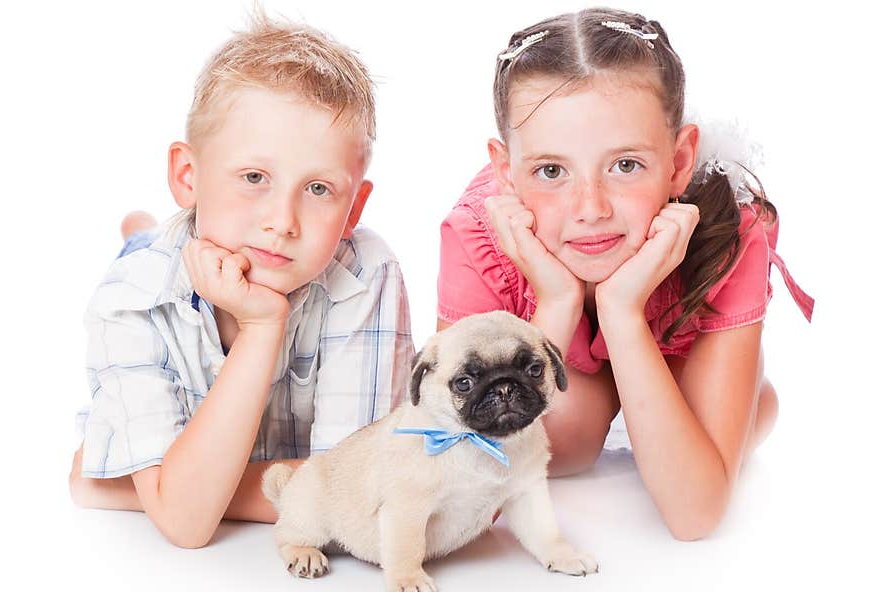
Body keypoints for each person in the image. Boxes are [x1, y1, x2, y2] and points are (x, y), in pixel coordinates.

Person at [436, 7, 814, 541]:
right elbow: (452, 485)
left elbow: (694, 515)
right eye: (551, 171)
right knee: (570, 434)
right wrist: (558, 304)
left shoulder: (731, 234)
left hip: (671, 349)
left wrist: (621, 312)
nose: (590, 208)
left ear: (680, 160)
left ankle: (723, 399)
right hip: (569, 365)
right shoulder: (478, 236)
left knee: (723, 429)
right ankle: (620, 398)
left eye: (625, 165)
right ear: (506, 173)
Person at [69, 13, 415, 548]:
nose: (283, 221)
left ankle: (151, 227)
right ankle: (140, 232)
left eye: (319, 189)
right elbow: (188, 527)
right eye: (254, 178)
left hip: (218, 247)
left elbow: (358, 498)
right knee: (143, 251)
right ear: (188, 176)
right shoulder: (129, 299)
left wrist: (142, 488)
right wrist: (261, 328)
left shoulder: (367, 273)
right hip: (166, 264)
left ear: (353, 209)